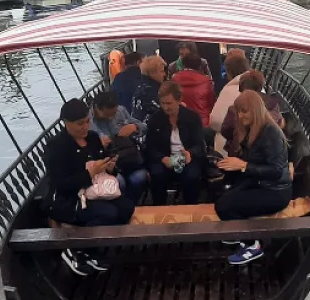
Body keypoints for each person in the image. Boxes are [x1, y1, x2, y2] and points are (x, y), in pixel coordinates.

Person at [44, 99, 136, 276]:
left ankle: (91, 246)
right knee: (108, 213)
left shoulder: (93, 138)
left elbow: (105, 165)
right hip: (68, 199)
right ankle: (78, 250)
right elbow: (60, 183)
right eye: (80, 124)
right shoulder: (56, 147)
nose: (85, 127)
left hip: (96, 191)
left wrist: (110, 167)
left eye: (87, 121)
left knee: (127, 208)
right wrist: (89, 174)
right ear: (66, 122)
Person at [215, 91, 292, 265]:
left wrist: (243, 166)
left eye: (244, 111)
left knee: (223, 206)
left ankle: (253, 245)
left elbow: (276, 171)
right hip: (259, 182)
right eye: (238, 112)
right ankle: (237, 230)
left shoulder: (271, 133)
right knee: (222, 195)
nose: (240, 116)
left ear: (256, 110)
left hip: (275, 191)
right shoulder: (252, 129)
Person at [145, 81, 205, 206]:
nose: (165, 107)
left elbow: (200, 145)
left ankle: (190, 208)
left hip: (187, 158)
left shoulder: (192, 117)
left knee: (191, 176)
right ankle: (159, 208)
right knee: (157, 174)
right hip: (164, 159)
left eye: (169, 103)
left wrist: (190, 153)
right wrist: (163, 158)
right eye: (162, 103)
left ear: (179, 100)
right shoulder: (155, 119)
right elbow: (150, 147)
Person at [89, 91, 149, 203]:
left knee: (138, 178)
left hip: (128, 158)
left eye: (113, 114)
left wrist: (134, 127)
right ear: (97, 108)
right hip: (107, 164)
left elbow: (144, 127)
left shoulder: (121, 111)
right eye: (107, 115)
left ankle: (130, 203)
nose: (111, 118)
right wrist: (97, 143)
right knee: (120, 182)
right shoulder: (88, 122)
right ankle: (121, 204)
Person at [219, 70, 282, 156]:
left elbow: (225, 131)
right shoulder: (274, 104)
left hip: (241, 155)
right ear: (261, 87)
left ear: (242, 89)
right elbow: (279, 123)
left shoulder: (235, 109)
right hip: (269, 152)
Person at [210, 50, 250, 142]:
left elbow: (216, 121)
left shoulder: (229, 89)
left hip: (228, 143)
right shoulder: (259, 87)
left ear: (229, 72)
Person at [172, 53, 216, 127]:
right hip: (202, 123)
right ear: (199, 66)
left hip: (180, 122)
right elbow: (212, 103)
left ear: (183, 64)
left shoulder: (174, 80)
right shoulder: (207, 81)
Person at [131, 54, 167, 123]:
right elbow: (164, 113)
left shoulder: (141, 88)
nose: (164, 74)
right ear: (153, 73)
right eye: (162, 71)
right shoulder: (149, 92)